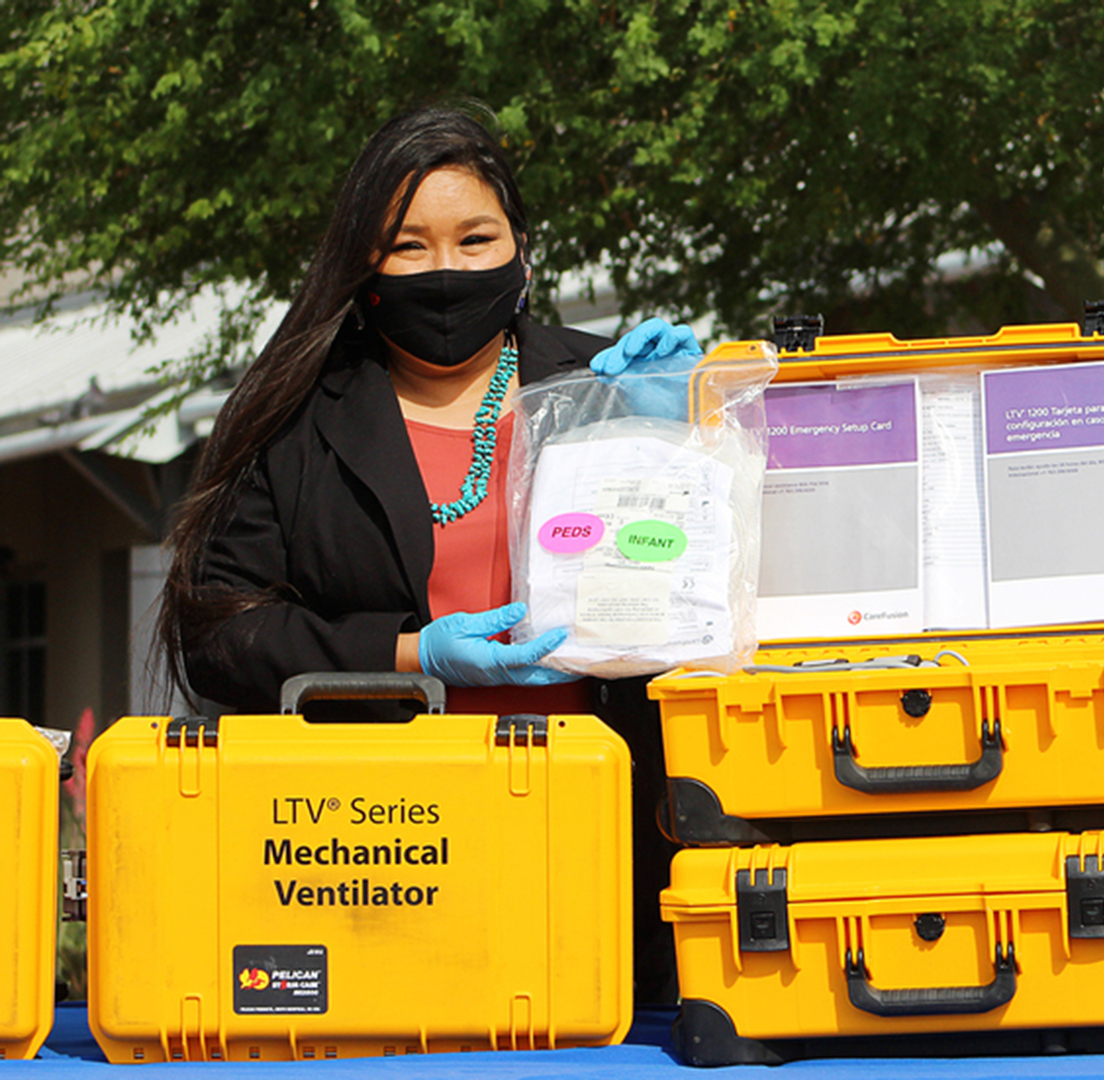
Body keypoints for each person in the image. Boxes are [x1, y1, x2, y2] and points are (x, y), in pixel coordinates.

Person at [158, 103, 702, 1003]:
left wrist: (695, 414)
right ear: (361, 267)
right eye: (408, 247)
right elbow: (218, 632)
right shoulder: (292, 418)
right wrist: (410, 654)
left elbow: (735, 585)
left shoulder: (605, 386)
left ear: (522, 250)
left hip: (607, 846)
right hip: (379, 853)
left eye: (474, 238)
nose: (444, 271)